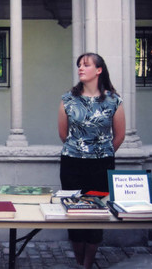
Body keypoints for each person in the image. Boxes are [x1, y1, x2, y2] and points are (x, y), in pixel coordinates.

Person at [57, 53, 126, 269]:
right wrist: (81, 150)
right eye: (78, 65)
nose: (80, 68)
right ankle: (79, 262)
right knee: (75, 213)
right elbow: (63, 134)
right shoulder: (68, 99)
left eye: (85, 65)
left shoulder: (113, 100)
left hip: (101, 165)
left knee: (97, 214)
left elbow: (120, 135)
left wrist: (100, 153)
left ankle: (88, 264)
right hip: (72, 164)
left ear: (99, 70)